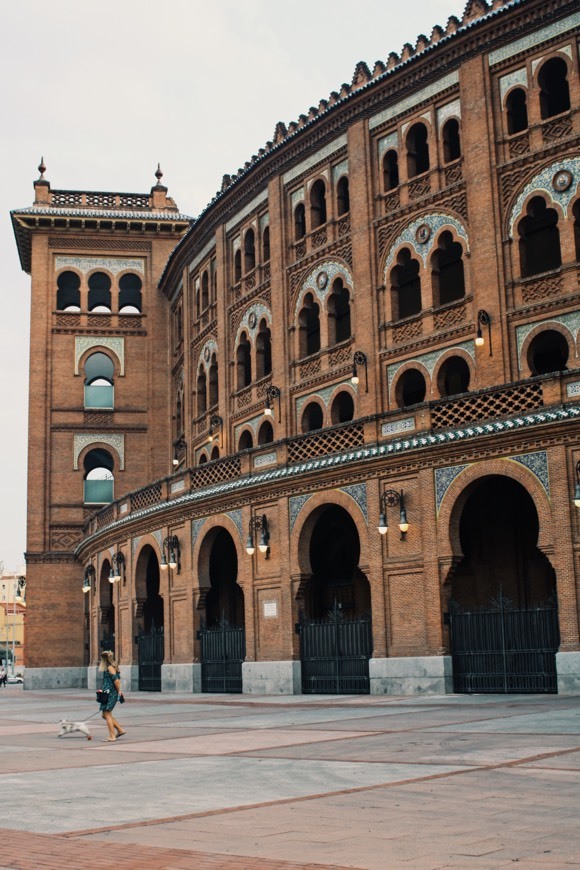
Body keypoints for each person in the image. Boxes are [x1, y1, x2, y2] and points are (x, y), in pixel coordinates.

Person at [98, 651, 126, 742]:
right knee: (104, 714)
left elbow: (116, 681)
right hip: (107, 692)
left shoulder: (110, 667)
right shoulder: (111, 667)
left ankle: (112, 736)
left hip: (110, 693)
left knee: (107, 714)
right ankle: (120, 730)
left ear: (104, 659)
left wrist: (119, 691)